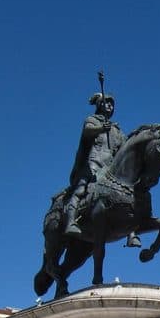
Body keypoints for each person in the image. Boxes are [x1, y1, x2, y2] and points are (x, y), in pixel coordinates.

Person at [63, 91, 136, 246]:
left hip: (110, 167)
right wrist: (100, 128)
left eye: (112, 104)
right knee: (81, 189)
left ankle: (132, 232)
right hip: (93, 163)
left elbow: (125, 147)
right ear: (99, 105)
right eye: (106, 103)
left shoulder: (116, 130)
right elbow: (87, 132)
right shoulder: (92, 120)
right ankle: (70, 221)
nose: (110, 106)